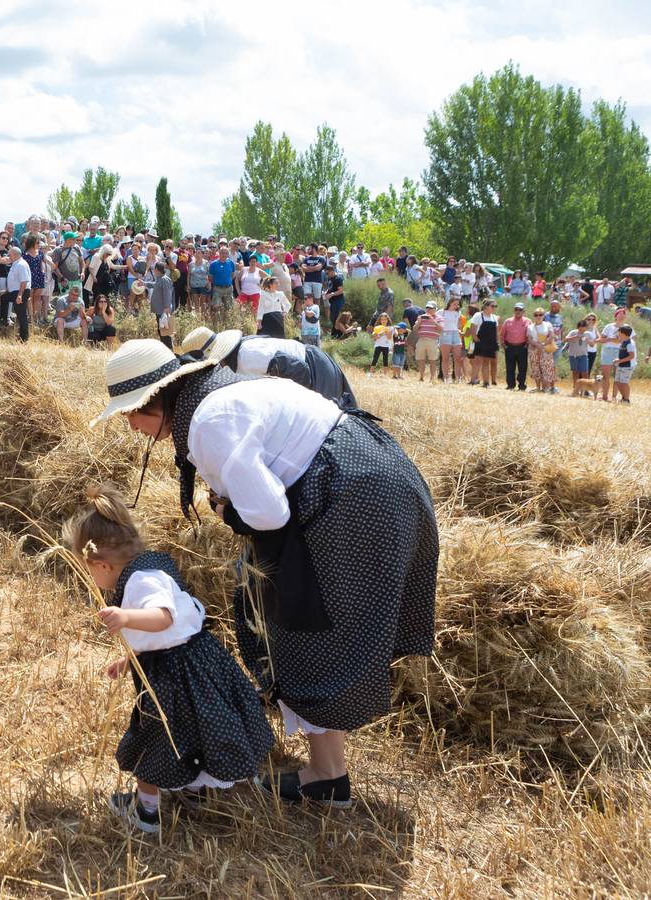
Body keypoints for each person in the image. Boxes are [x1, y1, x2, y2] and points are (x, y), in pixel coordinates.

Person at [94, 340, 436, 810]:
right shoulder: (219, 394)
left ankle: (326, 777)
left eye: (131, 412)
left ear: (157, 400)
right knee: (309, 629)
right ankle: (327, 777)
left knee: (305, 627)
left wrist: (222, 507)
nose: (130, 425)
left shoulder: (208, 424)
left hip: (352, 496)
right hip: (373, 476)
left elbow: (268, 515)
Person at [65, 486, 274, 834]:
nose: (95, 582)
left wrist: (125, 617)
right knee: (196, 730)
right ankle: (194, 788)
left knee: (155, 740)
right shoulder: (148, 568)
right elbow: (162, 637)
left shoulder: (143, 581)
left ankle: (147, 812)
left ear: (102, 564)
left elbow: (163, 618)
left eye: (91, 573)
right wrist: (130, 661)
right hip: (192, 663)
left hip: (176, 674)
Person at [181, 326, 358, 408]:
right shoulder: (237, 358)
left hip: (316, 368)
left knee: (332, 424)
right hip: (312, 365)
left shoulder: (247, 356)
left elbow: (299, 370)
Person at [0, 245, 32, 342]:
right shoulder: (16, 263)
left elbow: (24, 281)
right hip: (16, 291)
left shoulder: (21, 264)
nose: (8, 256)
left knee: (21, 314)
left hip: (21, 292)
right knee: (4, 297)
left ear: (15, 255)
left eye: (9, 255)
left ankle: (24, 338)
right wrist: (7, 290)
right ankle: (5, 319)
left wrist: (19, 295)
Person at [598, 307, 630, 402]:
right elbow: (602, 340)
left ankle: (614, 397)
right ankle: (604, 396)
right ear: (615, 316)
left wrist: (610, 339)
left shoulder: (627, 328)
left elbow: (629, 341)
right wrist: (612, 339)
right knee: (605, 376)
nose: (622, 315)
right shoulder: (609, 326)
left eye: (623, 314)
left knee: (617, 376)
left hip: (621, 351)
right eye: (619, 314)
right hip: (607, 351)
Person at [468, 300, 499, 387]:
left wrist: (496, 342)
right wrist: (476, 339)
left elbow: (496, 332)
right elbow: (472, 328)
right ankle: (473, 380)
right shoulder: (478, 315)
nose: (494, 308)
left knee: (486, 362)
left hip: (490, 343)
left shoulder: (494, 317)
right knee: (477, 361)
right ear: (486, 306)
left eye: (495, 306)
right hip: (480, 341)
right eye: (492, 306)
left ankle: (486, 382)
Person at [528, 308, 557, 393]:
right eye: (536, 315)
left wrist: (543, 345)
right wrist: (537, 345)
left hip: (545, 349)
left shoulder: (548, 324)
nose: (538, 316)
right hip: (534, 349)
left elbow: (551, 336)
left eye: (540, 314)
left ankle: (546, 388)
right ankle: (537, 387)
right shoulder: (530, 326)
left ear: (544, 315)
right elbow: (529, 339)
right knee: (535, 367)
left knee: (547, 368)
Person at [414, 300, 442, 382]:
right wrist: (419, 322)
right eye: (427, 307)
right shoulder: (421, 317)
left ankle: (432, 378)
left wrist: (432, 320)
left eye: (430, 308)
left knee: (432, 360)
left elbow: (441, 329)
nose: (428, 309)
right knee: (420, 359)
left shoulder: (439, 318)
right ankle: (421, 377)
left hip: (433, 340)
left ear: (435, 309)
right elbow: (414, 329)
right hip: (421, 340)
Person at [566, 318, 594, 397]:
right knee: (575, 373)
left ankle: (586, 391)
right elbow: (565, 339)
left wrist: (588, 341)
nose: (582, 331)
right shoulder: (573, 332)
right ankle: (576, 390)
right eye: (580, 329)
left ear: (586, 328)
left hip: (583, 356)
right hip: (573, 355)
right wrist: (575, 337)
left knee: (585, 373)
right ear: (578, 327)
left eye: (583, 330)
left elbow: (592, 345)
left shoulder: (588, 334)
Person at [613, 324, 636, 404]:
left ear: (623, 333)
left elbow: (631, 356)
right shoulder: (624, 341)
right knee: (618, 382)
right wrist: (618, 360)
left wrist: (620, 361)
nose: (618, 333)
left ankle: (626, 400)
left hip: (627, 366)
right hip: (621, 364)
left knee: (624, 382)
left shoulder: (629, 343)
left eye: (619, 331)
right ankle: (624, 397)